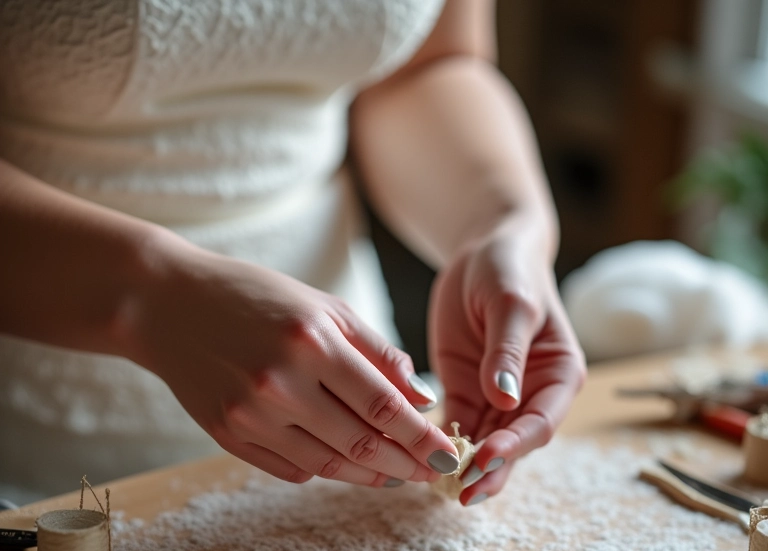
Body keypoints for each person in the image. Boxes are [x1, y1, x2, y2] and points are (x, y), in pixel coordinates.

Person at [0, 0, 585, 506]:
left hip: (344, 426)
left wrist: (502, 222)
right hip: (36, 450)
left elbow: (429, 65)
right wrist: (147, 296)